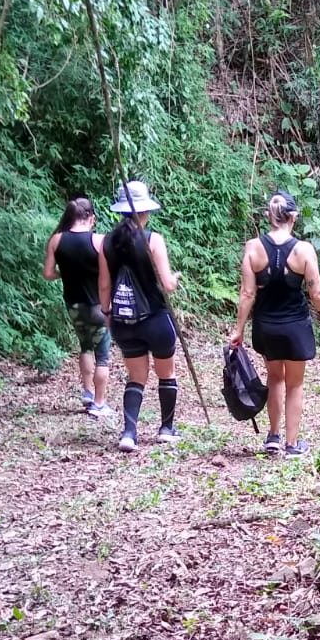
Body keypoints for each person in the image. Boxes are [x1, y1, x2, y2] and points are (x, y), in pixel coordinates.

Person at [230, 191, 320, 458]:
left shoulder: (253, 247)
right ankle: (291, 445)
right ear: (293, 217)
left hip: (266, 328)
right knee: (295, 384)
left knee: (275, 378)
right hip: (295, 329)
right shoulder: (303, 250)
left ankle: (273, 437)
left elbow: (247, 294)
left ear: (270, 216)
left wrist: (239, 330)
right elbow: (316, 294)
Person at [98, 181, 181, 453]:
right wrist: (175, 279)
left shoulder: (107, 242)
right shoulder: (152, 240)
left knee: (136, 377)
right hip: (155, 318)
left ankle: (129, 433)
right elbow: (167, 284)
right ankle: (166, 428)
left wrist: (108, 312)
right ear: (144, 211)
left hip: (123, 320)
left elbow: (104, 285)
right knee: (165, 372)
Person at [43, 197, 114, 417]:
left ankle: (87, 392)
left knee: (85, 347)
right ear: (91, 217)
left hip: (73, 304)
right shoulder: (99, 241)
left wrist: (66, 273)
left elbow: (48, 274)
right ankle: (99, 404)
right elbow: (108, 275)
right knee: (103, 355)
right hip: (97, 305)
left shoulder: (57, 240)